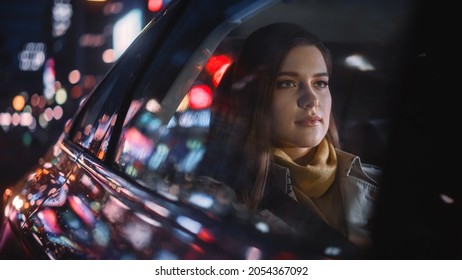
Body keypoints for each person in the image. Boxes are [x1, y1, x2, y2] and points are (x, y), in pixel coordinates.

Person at [200, 22, 381, 249]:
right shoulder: (220, 198)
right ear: (254, 97)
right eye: (287, 83)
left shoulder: (380, 184)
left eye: (320, 83)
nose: (312, 99)